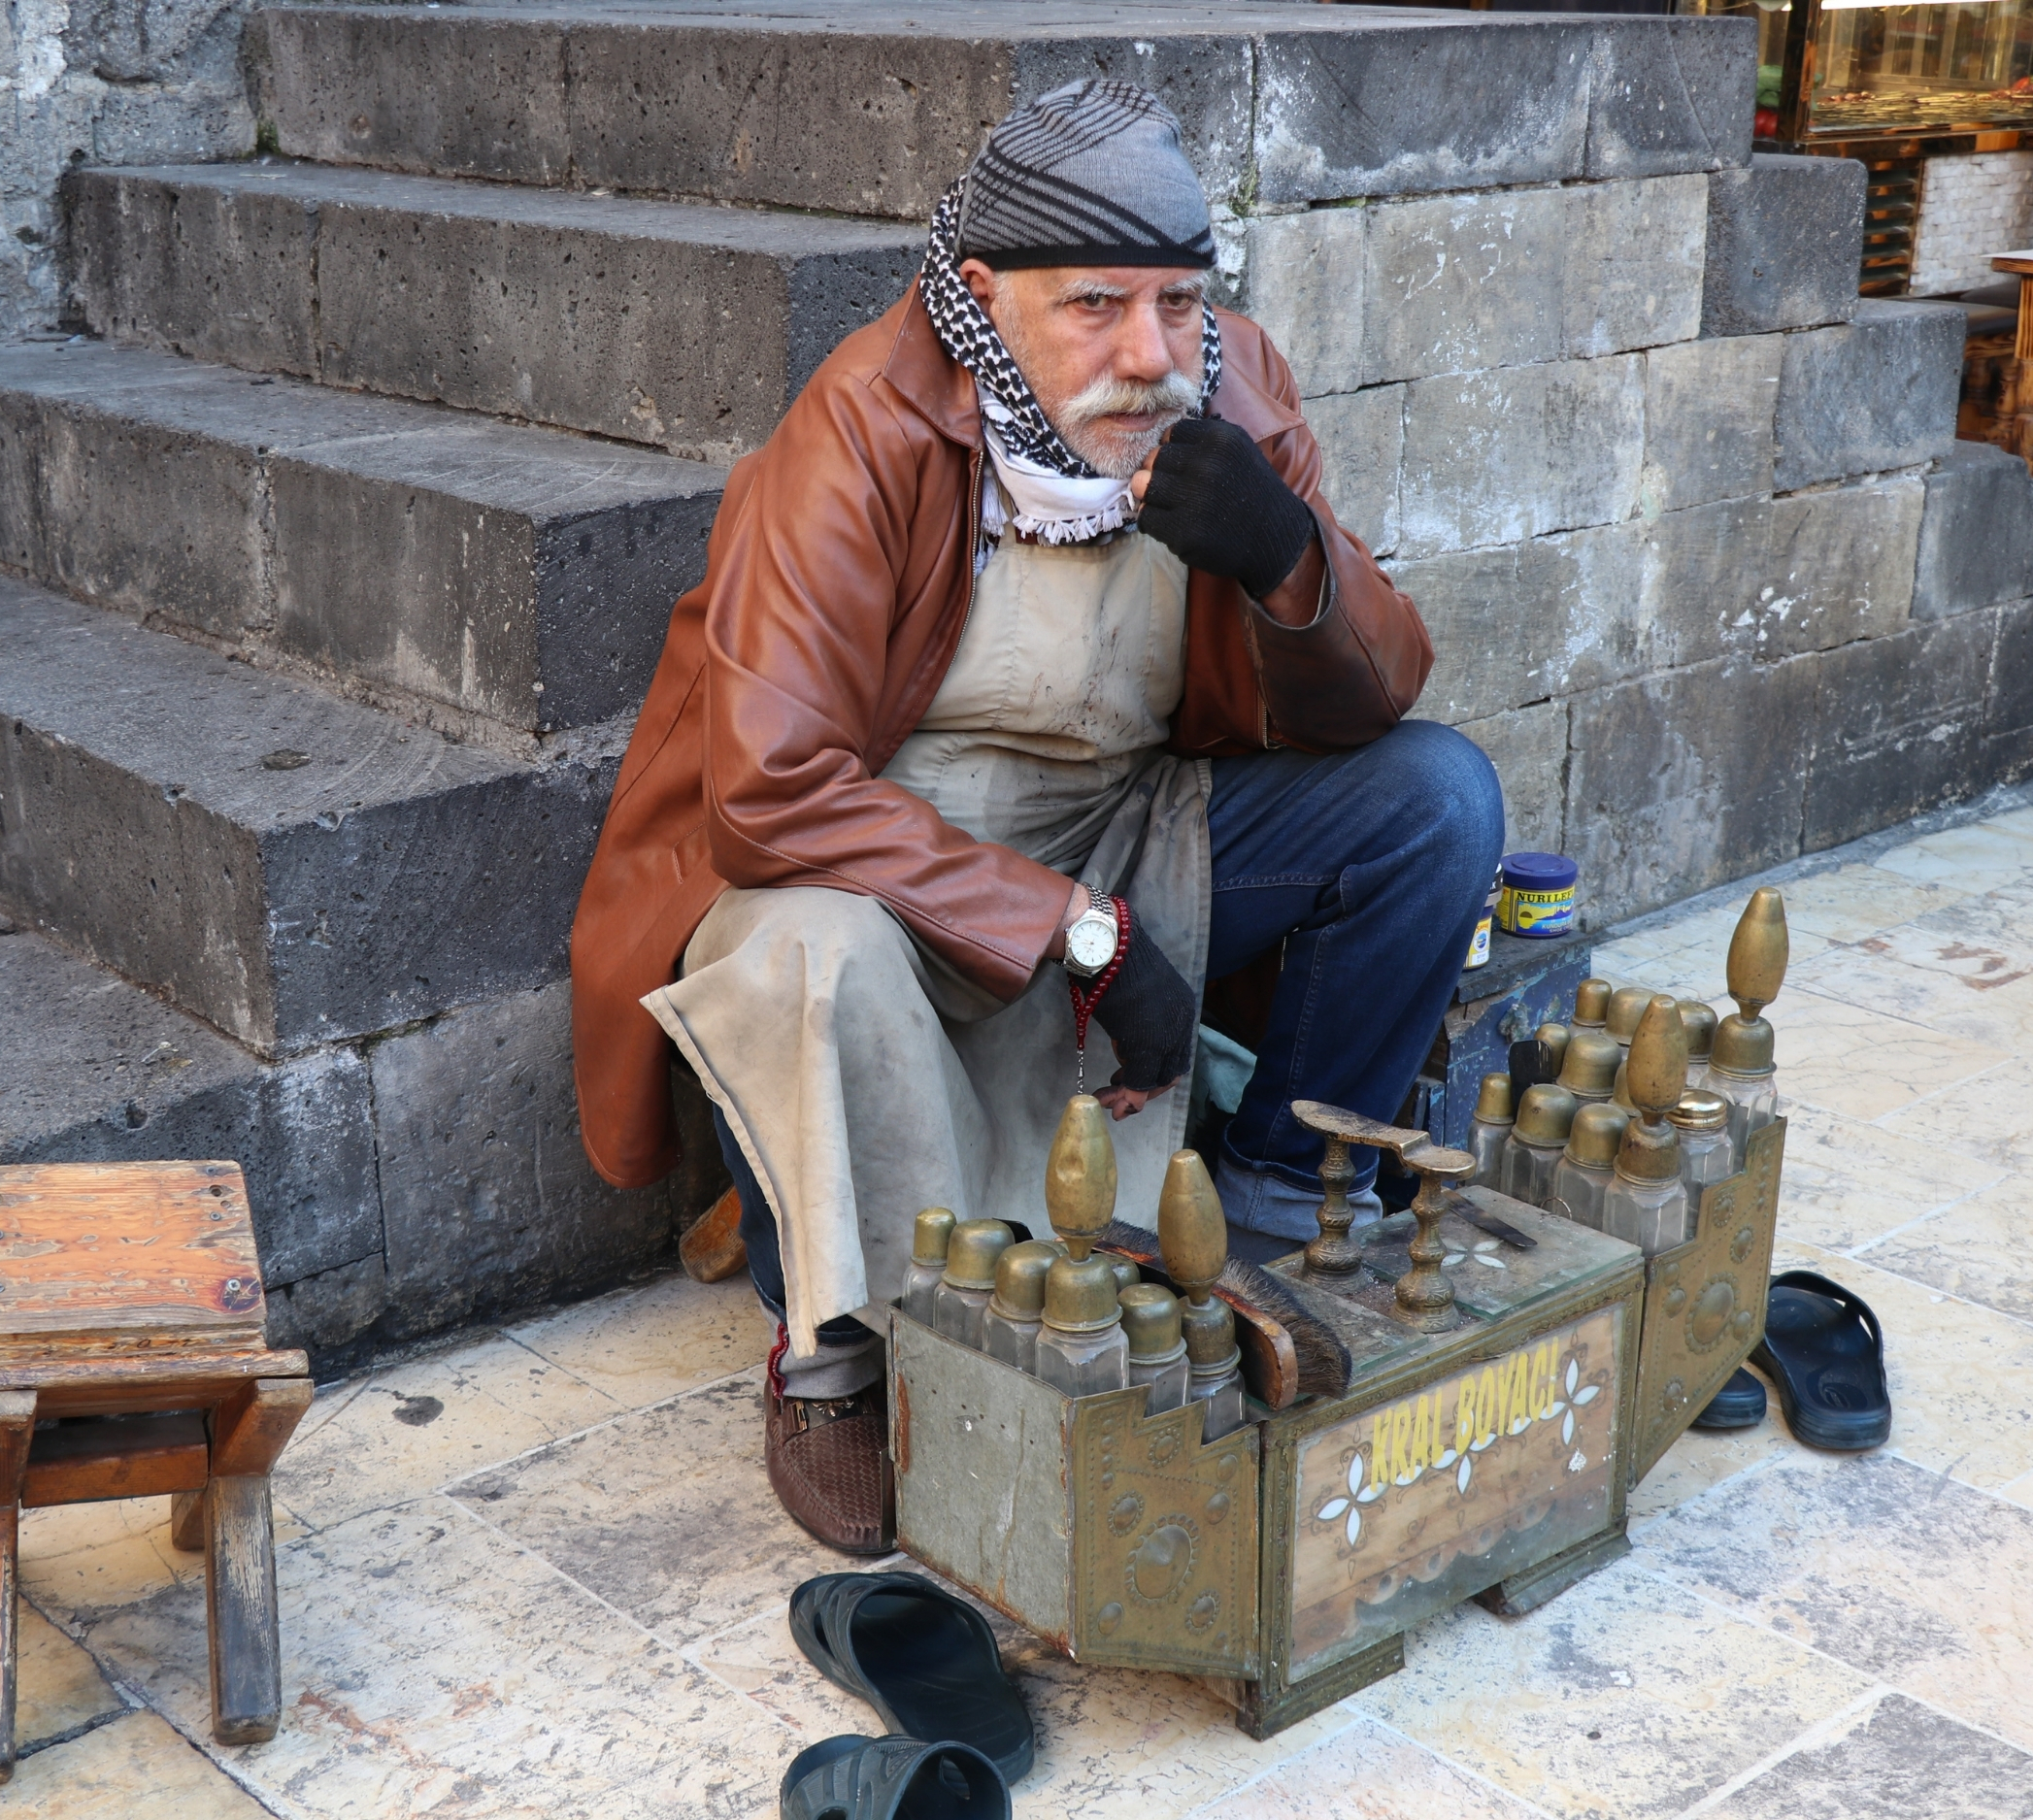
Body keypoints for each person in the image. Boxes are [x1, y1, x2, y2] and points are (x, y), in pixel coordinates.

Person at [568, 82, 1504, 1552]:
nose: (1148, 354)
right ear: (986, 294)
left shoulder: (1232, 386)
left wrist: (1286, 559)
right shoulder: (862, 426)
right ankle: (834, 1355)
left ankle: (1258, 1207)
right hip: (868, 859)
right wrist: (1073, 936)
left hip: (1128, 820)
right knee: (800, 952)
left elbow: (1369, 701)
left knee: (1435, 800)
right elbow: (767, 792)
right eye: (1094, 308)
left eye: (1177, 303)